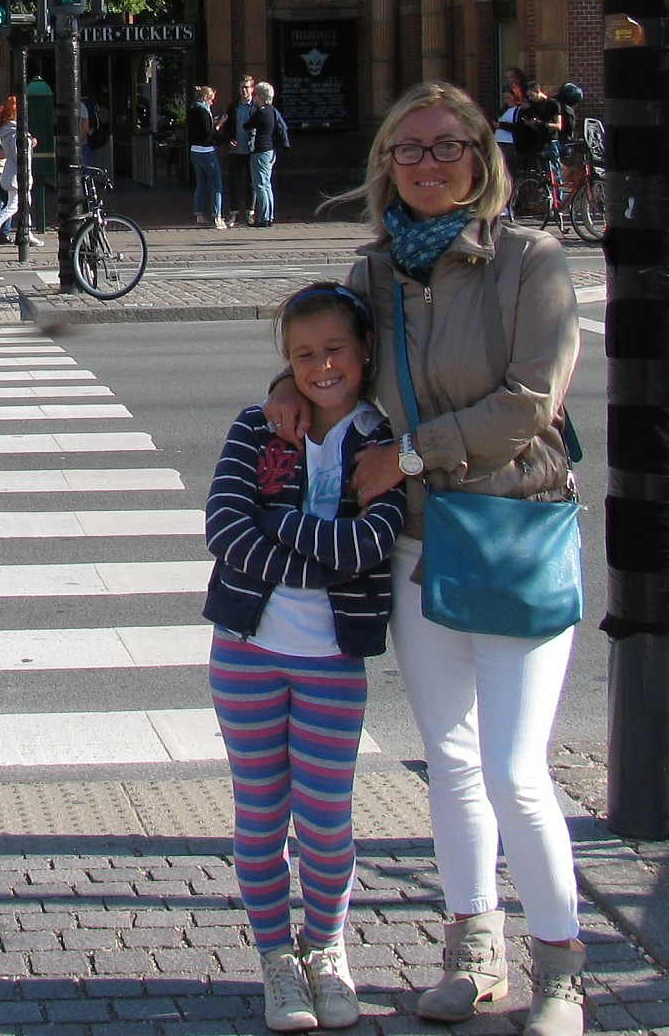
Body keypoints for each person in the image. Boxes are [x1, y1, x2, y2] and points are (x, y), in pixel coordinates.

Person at [266, 82, 586, 1034]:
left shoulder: (530, 260)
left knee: (514, 769)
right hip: (414, 539)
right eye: (410, 150)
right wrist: (286, 381)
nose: (429, 163)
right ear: (387, 168)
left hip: (515, 525)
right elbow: (332, 355)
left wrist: (409, 454)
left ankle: (562, 969)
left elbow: (532, 400)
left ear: (481, 159)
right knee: (447, 761)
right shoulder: (374, 273)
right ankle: (472, 946)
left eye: (449, 146)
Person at [205, 282, 407, 1032]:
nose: (322, 367)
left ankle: (326, 949)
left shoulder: (380, 443)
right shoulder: (259, 427)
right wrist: (313, 551)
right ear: (286, 362)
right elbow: (225, 528)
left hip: (329, 659)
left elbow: (369, 543)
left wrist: (279, 525)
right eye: (304, 355)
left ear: (362, 356)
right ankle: (275, 961)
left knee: (325, 821)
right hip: (246, 652)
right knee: (260, 816)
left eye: (335, 352)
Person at [0, 100, 31, 245]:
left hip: (3, 172)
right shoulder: (6, 134)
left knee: (21, 204)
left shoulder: (2, 133)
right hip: (4, 173)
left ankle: (27, 233)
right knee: (10, 206)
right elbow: (11, 155)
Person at [245, 82, 291, 228]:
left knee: (259, 185)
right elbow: (282, 127)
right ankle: (269, 215)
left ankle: (263, 218)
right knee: (267, 185)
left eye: (256, 95)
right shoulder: (273, 111)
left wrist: (253, 111)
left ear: (261, 97)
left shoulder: (261, 112)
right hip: (270, 151)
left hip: (260, 151)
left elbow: (246, 125)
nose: (254, 98)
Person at [188, 84, 226, 229]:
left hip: (194, 151)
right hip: (206, 151)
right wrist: (218, 127)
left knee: (201, 184)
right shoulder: (203, 111)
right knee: (217, 185)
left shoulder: (192, 110)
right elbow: (207, 133)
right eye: (210, 99)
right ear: (204, 98)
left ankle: (199, 217)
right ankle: (217, 217)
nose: (212, 102)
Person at [222, 76, 259, 219]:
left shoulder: (256, 107)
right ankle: (233, 212)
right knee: (234, 183)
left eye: (247, 87)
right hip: (235, 151)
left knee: (251, 183)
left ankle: (250, 212)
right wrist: (229, 140)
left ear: (252, 89)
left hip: (251, 150)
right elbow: (227, 127)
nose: (244, 90)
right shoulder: (233, 107)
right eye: (242, 87)